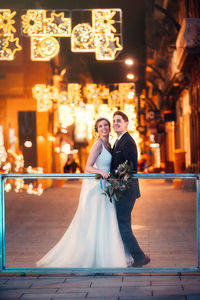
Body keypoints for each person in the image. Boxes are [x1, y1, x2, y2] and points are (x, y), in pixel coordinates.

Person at [37, 118, 132, 268]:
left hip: (108, 187)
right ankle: (94, 259)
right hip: (99, 188)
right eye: (100, 126)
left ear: (109, 127)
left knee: (108, 221)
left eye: (106, 125)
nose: (104, 128)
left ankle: (107, 257)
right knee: (99, 221)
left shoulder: (109, 145)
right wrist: (102, 173)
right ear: (96, 130)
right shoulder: (98, 145)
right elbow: (88, 167)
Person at [111, 111, 150, 267]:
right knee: (123, 223)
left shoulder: (128, 141)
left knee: (123, 224)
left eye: (119, 120)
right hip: (121, 188)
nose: (116, 123)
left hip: (126, 189)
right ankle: (132, 255)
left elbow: (129, 166)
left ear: (127, 123)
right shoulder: (118, 141)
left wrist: (112, 175)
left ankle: (139, 256)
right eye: (114, 121)